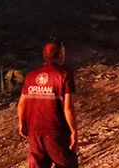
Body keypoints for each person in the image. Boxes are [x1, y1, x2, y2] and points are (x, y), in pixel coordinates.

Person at [18, 39, 78, 168]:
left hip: (35, 133)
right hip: (56, 132)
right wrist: (74, 131)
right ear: (60, 55)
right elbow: (68, 108)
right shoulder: (64, 75)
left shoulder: (31, 76)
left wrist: (22, 123)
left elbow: (22, 104)